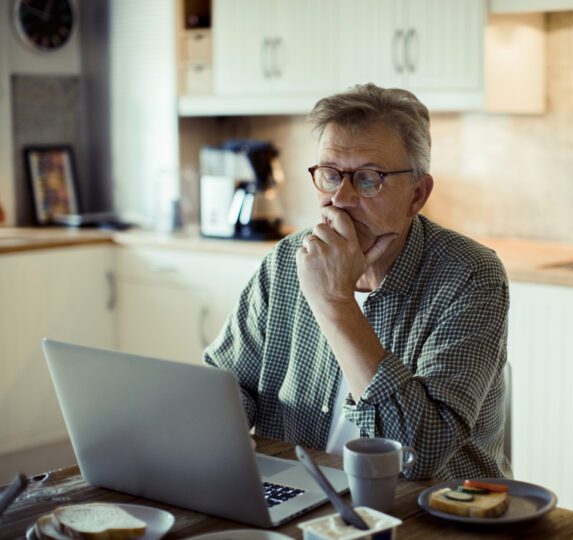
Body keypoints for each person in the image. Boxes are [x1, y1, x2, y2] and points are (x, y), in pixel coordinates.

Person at [204, 84, 511, 480]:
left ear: (417, 194)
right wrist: (217, 429)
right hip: (304, 494)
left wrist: (334, 302)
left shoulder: (469, 275)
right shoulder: (285, 261)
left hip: (430, 514)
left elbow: (419, 455)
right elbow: (227, 383)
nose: (341, 198)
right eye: (331, 175)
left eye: (368, 179)